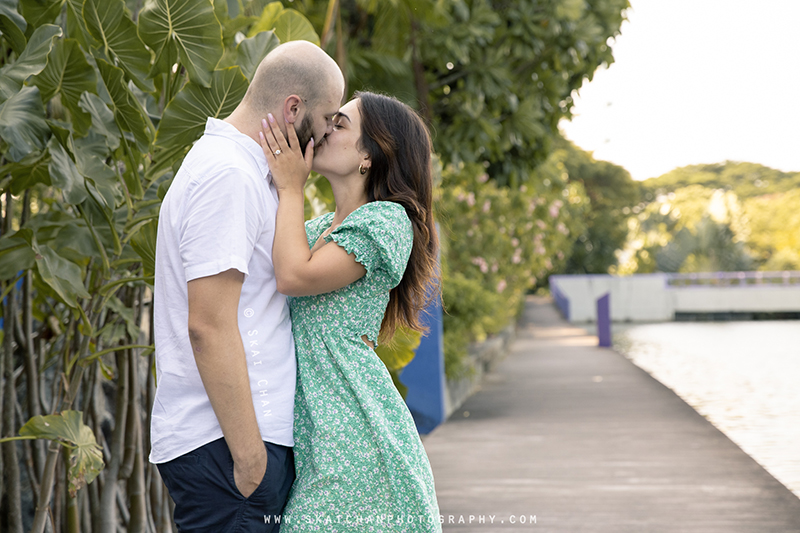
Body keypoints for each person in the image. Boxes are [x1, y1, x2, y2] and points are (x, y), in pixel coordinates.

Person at [149, 41, 345, 532]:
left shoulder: (247, 174)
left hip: (237, 444)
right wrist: (250, 456)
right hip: (229, 448)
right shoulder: (228, 175)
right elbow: (208, 325)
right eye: (324, 121)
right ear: (292, 108)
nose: (323, 136)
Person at [257, 92, 442, 532]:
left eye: (339, 125)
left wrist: (288, 186)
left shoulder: (387, 222)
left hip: (356, 432)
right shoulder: (317, 229)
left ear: (370, 155)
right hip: (315, 431)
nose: (324, 130)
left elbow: (293, 277)